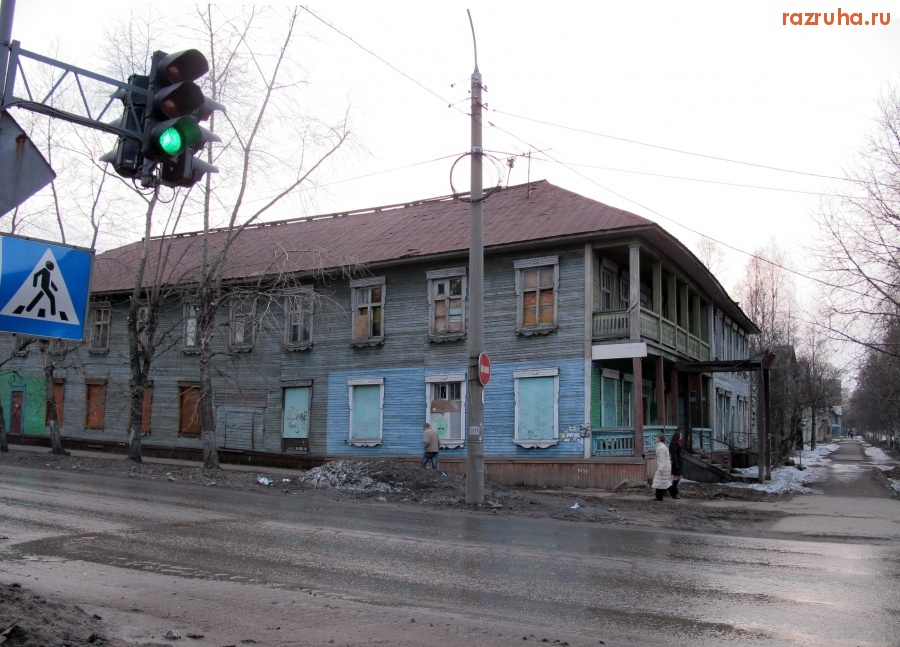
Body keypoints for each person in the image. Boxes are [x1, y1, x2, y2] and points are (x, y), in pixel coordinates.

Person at [652, 432, 672, 501]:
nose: (655, 438)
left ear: (659, 439)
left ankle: (674, 493)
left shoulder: (661, 447)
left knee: (661, 481)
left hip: (664, 467)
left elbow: (662, 459)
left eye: (657, 437)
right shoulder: (661, 446)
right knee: (660, 481)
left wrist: (661, 468)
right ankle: (659, 497)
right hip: (664, 466)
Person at [668, 430, 683, 499]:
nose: (681, 437)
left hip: (678, 461)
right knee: (676, 476)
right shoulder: (673, 444)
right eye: (680, 436)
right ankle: (673, 492)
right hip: (675, 462)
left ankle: (674, 490)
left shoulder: (678, 443)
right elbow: (673, 454)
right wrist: (676, 463)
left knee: (679, 476)